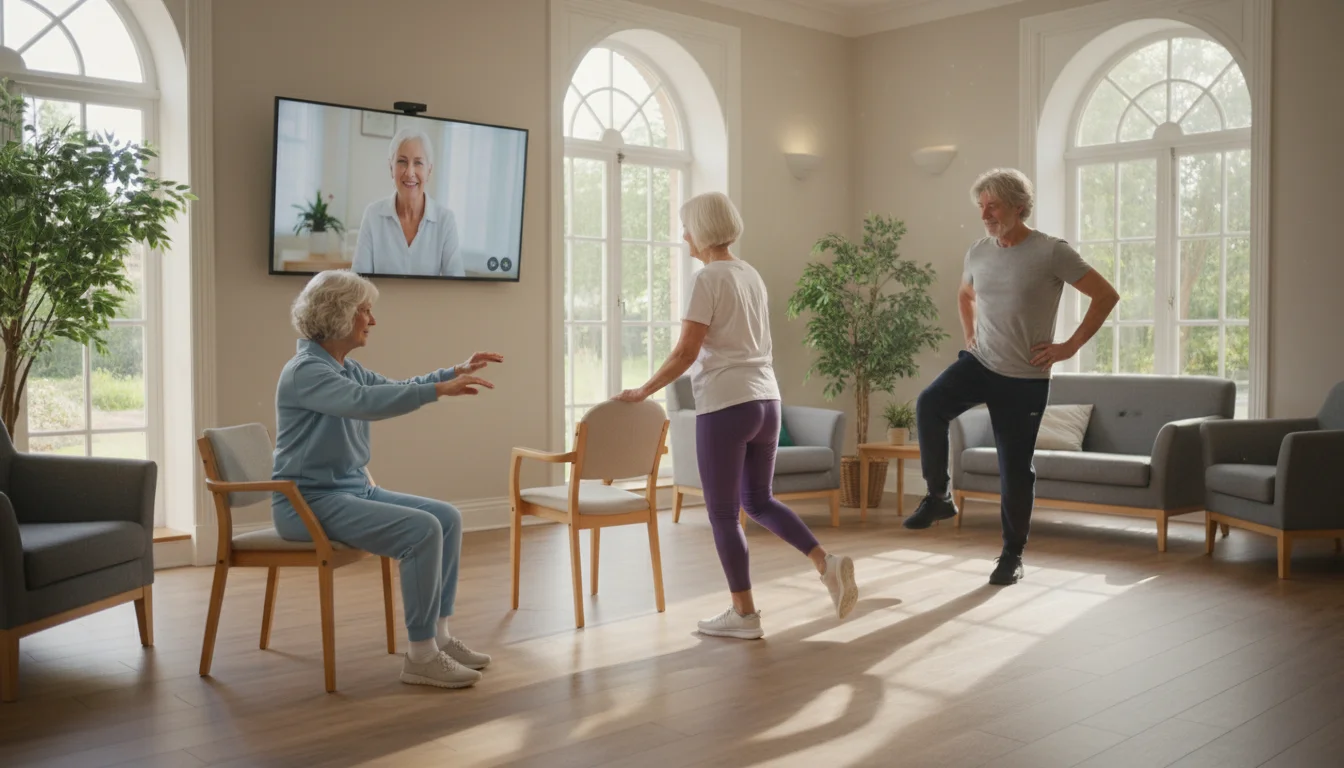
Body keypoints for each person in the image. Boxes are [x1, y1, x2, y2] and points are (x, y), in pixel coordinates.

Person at [613, 191, 858, 640]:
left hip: (727, 404)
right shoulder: (750, 274)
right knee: (759, 502)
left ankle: (744, 615)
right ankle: (826, 563)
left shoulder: (706, 279)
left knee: (724, 513)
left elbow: (687, 351)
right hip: (767, 402)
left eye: (686, 226)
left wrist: (645, 390)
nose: (683, 235)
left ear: (702, 230)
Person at [272, 269, 501, 688]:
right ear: (338, 314)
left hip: (351, 490)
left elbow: (392, 387)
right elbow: (366, 403)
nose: (371, 321)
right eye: (365, 311)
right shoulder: (306, 371)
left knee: (446, 517)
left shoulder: (345, 367)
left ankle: (441, 636)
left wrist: (448, 374)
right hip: (306, 501)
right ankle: (420, 656)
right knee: (420, 529)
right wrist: (437, 392)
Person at [903, 168, 1119, 585]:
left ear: (1019, 207)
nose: (986, 213)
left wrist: (1068, 347)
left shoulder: (1051, 252)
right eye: (981, 206)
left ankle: (1011, 555)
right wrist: (969, 333)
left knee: (1015, 468)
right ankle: (938, 496)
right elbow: (965, 295)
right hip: (980, 363)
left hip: (1025, 378)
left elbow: (1106, 295)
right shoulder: (978, 252)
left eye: (994, 205)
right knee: (930, 404)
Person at [352, 127, 464, 277]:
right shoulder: (373, 215)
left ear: (429, 171)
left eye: (418, 163)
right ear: (391, 167)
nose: (410, 172)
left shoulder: (445, 219)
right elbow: (358, 284)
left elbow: (456, 285)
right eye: (402, 162)